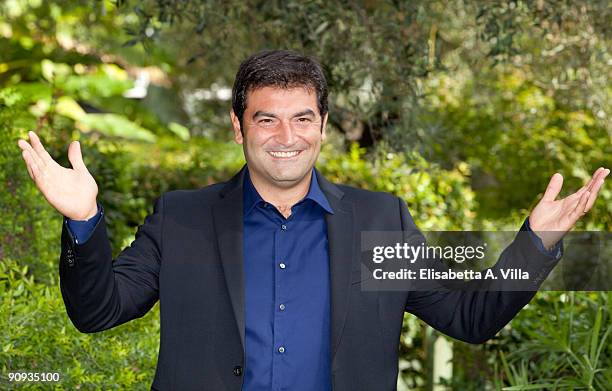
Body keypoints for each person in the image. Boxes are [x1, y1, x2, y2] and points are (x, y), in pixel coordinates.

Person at [17, 50, 609, 391]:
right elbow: (98, 312)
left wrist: (536, 243)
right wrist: (85, 220)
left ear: (323, 127)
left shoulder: (381, 221)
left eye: (303, 119)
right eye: (266, 119)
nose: (285, 137)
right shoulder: (183, 219)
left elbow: (469, 315)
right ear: (238, 126)